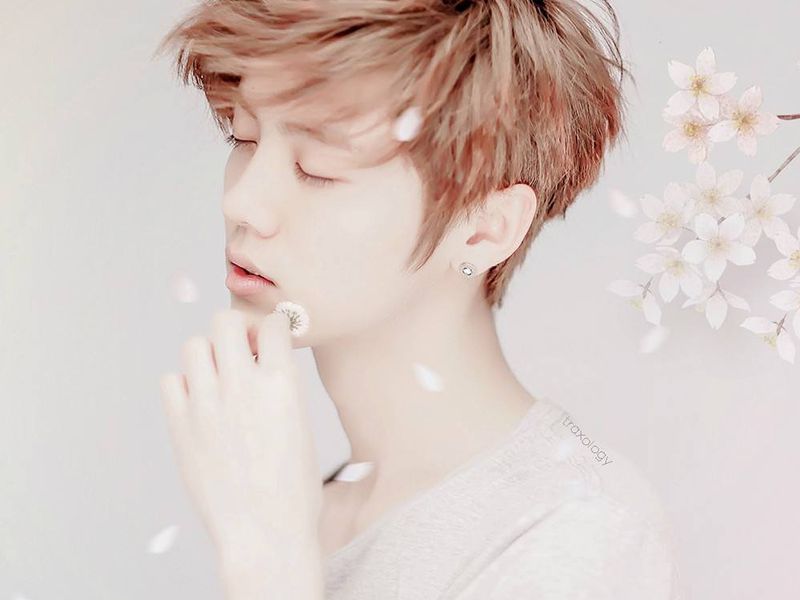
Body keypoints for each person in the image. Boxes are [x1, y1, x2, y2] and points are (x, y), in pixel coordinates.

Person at [154, 0, 684, 597]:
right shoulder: (301, 507)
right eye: (243, 136)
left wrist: (267, 562)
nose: (242, 201)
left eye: (317, 167)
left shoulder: (579, 533)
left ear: (484, 227)